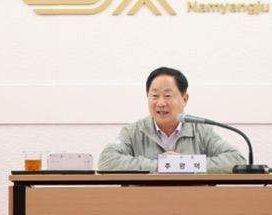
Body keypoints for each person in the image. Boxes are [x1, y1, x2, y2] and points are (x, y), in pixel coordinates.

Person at [98, 66, 246, 173]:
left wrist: (184, 164)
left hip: (193, 203)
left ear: (185, 99)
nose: (161, 103)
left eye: (168, 96)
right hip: (146, 203)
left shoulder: (202, 131)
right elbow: (106, 161)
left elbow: (236, 160)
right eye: (155, 96)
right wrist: (161, 165)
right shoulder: (133, 132)